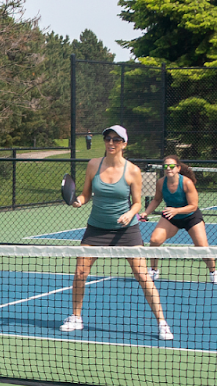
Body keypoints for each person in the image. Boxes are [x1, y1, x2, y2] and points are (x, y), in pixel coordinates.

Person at [61, 126, 174, 341]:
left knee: (142, 275)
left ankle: (162, 323)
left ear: (124, 143)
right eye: (108, 139)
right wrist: (78, 202)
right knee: (80, 273)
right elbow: (86, 194)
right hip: (96, 228)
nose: (111, 143)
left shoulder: (132, 171)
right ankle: (76, 317)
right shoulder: (94, 164)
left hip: (127, 230)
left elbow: (138, 202)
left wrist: (128, 214)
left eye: (116, 139)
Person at [145, 156, 217, 284]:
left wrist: (176, 210)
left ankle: (213, 272)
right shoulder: (160, 182)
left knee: (202, 246)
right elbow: (157, 200)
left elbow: (193, 206)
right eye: (165, 166)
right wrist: (146, 212)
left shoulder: (186, 183)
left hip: (191, 217)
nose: (168, 169)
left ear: (178, 168)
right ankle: (154, 270)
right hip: (171, 217)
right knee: (154, 240)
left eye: (171, 166)